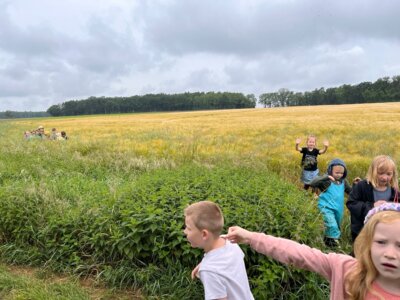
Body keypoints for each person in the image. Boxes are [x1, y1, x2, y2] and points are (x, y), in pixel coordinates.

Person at [224, 202, 400, 300]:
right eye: (381, 242)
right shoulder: (346, 270)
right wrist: (251, 237)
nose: (390, 254)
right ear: (367, 243)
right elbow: (298, 253)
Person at [184, 201, 254, 300]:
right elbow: (222, 260)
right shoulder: (230, 242)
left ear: (204, 234)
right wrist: (203, 264)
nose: (185, 231)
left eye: (189, 228)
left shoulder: (209, 271)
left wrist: (206, 267)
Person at [346, 155, 399, 241]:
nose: (385, 177)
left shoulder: (395, 191)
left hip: (385, 234)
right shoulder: (362, 186)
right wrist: (372, 206)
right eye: (380, 173)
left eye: (389, 174)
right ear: (373, 172)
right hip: (363, 232)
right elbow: (351, 203)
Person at [310, 158, 352, 248]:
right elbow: (312, 183)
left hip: (338, 209)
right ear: (330, 170)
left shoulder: (343, 182)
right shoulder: (327, 181)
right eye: (337, 173)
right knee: (331, 225)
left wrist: (357, 185)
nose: (339, 175)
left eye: (342, 173)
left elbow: (351, 192)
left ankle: (327, 242)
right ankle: (334, 245)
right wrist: (326, 177)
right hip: (326, 207)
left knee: (336, 226)